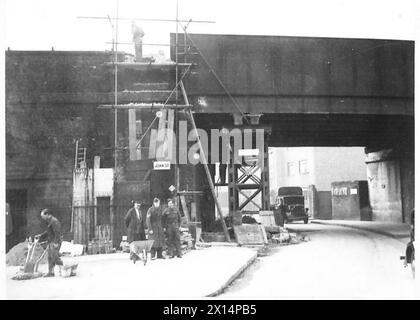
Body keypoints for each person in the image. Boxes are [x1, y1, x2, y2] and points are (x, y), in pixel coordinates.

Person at [34, 208, 63, 277]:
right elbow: (48, 232)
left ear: (47, 214)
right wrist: (40, 236)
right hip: (51, 241)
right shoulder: (49, 221)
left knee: (54, 256)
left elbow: (57, 233)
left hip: (55, 241)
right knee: (50, 257)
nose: (42, 218)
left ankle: (64, 268)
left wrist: (56, 242)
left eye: (42, 216)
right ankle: (51, 272)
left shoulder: (54, 221)